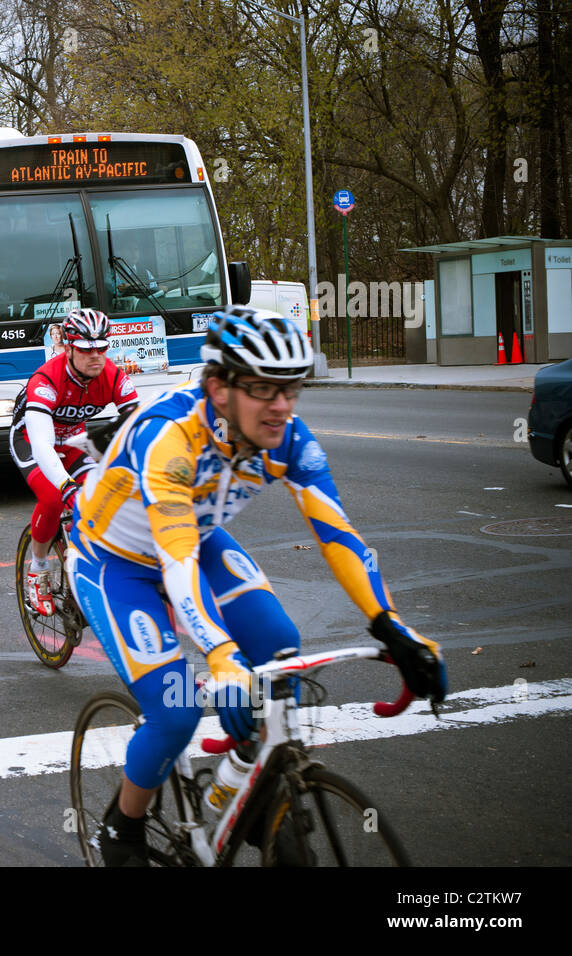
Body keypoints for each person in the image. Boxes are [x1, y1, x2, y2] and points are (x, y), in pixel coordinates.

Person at [67, 305, 448, 866]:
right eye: (264, 389)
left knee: (278, 644)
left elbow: (337, 532)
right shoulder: (169, 439)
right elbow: (175, 564)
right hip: (116, 561)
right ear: (219, 388)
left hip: (196, 538)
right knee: (175, 710)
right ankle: (121, 825)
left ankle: (253, 783)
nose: (282, 407)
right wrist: (220, 657)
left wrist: (391, 626)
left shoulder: (285, 435)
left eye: (291, 389)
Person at [10, 308, 138, 616]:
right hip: (31, 442)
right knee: (55, 498)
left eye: (102, 348)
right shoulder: (46, 380)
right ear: (68, 348)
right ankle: (37, 571)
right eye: (86, 349)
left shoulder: (113, 376)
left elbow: (139, 428)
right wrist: (66, 484)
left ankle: (91, 562)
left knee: (105, 495)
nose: (96, 356)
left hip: (71, 442)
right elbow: (41, 443)